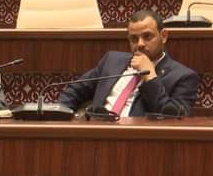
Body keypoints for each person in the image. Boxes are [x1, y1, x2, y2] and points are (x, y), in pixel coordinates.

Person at [58, 10, 198, 117]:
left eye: (147, 36)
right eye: (134, 39)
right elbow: (74, 91)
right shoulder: (111, 61)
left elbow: (173, 118)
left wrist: (150, 77)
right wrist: (61, 117)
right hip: (97, 132)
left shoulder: (183, 77)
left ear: (164, 36)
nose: (140, 44)